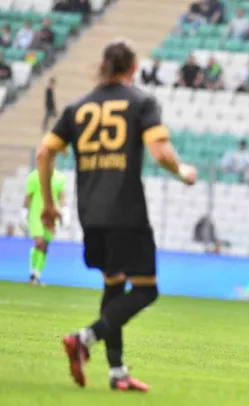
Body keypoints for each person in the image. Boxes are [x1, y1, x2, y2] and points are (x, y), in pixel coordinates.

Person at [34, 39, 197, 392]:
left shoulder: (77, 107)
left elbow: (44, 153)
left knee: (113, 284)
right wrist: (182, 171)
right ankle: (84, 338)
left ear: (103, 66)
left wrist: (48, 204)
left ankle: (117, 372)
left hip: (90, 212)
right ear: (133, 68)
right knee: (146, 290)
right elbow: (160, 152)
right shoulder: (141, 102)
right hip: (126, 211)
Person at [22, 167, 68, 285]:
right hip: (36, 215)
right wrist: (24, 213)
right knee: (39, 242)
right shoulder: (34, 176)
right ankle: (32, 273)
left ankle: (36, 275)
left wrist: (65, 212)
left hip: (51, 217)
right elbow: (28, 196)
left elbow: (61, 196)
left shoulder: (60, 177)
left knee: (45, 245)